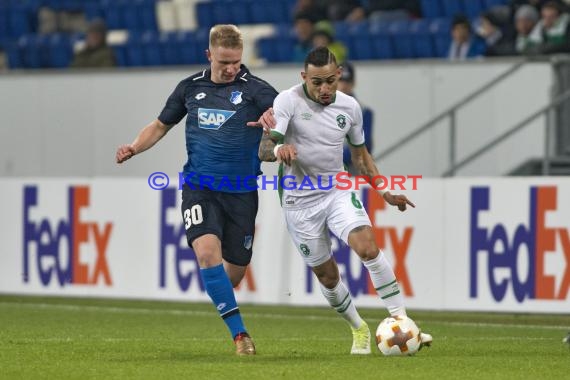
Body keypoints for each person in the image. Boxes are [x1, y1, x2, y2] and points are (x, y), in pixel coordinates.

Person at [257, 46, 432, 354]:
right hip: (299, 203)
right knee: (327, 275)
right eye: (316, 83)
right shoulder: (287, 101)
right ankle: (358, 327)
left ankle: (402, 321)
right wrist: (278, 150)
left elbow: (361, 157)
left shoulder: (350, 108)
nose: (324, 89)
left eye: (330, 81)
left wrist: (384, 189)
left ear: (338, 75)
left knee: (367, 247)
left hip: (337, 189)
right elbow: (265, 148)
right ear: (304, 77)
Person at [115, 24, 278, 355]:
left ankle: (225, 298)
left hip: (242, 192)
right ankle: (240, 336)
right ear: (209, 55)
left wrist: (275, 126)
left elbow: (286, 116)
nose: (231, 68)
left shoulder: (257, 90)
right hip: (199, 186)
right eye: (224, 62)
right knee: (206, 253)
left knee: (232, 276)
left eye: (236, 61)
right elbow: (161, 125)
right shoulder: (190, 88)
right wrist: (134, 147)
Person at [337, 62, 374, 171]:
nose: (343, 85)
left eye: (347, 81)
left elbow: (364, 145)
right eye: (340, 80)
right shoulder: (322, 110)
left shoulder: (365, 112)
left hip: (353, 169)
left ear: (353, 83)